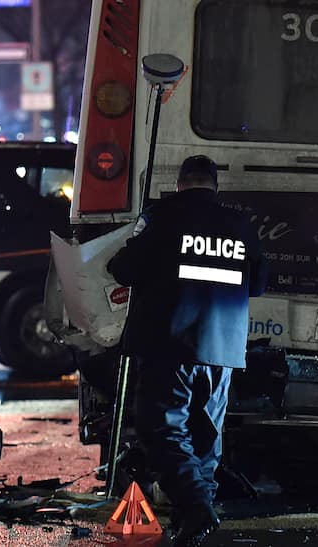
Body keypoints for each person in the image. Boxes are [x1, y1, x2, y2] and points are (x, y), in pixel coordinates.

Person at [107, 155, 267, 547]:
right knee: (205, 436)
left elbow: (122, 268)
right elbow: (259, 284)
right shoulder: (241, 226)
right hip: (222, 349)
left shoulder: (164, 218)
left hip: (171, 343)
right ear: (214, 187)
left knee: (160, 428)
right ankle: (194, 522)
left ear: (180, 184)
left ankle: (196, 507)